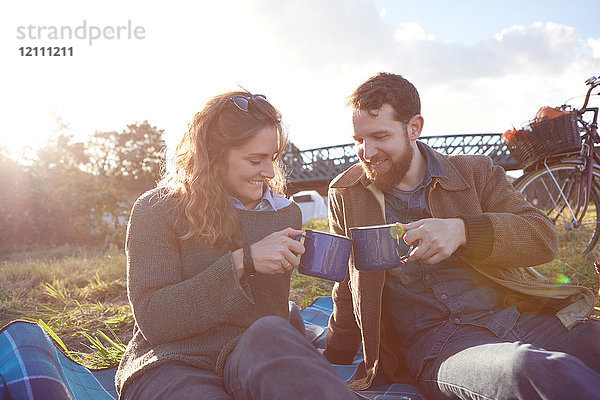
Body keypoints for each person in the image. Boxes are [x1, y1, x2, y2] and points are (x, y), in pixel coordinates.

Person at [323, 72, 600, 400]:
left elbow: (543, 238)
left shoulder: (475, 172)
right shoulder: (346, 193)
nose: (366, 152)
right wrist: (335, 356)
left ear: (414, 128)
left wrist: (464, 230)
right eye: (358, 140)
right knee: (528, 369)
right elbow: (347, 282)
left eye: (380, 136)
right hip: (440, 347)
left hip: (518, 316)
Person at [115, 91, 356, 399]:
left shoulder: (285, 213)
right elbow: (157, 322)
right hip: (170, 360)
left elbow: (268, 317)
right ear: (214, 157)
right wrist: (244, 261)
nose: (269, 173)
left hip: (251, 350)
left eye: (272, 159)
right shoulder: (156, 209)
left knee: (273, 333)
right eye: (255, 160)